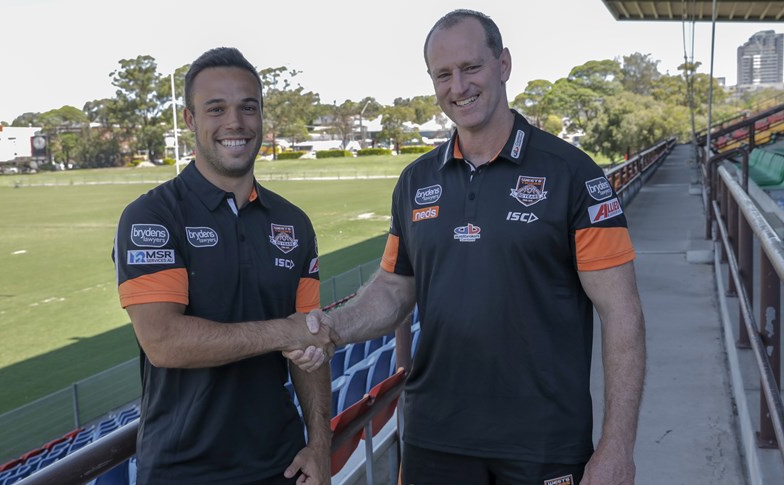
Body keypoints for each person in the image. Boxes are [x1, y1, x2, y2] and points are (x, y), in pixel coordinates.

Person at [288, 9, 646, 485]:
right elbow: (394, 290)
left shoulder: (575, 175)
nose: (458, 86)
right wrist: (332, 327)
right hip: (435, 439)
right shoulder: (415, 182)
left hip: (543, 441)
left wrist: (617, 446)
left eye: (471, 68)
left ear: (503, 64)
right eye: (443, 74)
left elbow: (623, 313)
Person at [113, 47, 335, 485]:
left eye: (247, 108)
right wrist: (283, 331)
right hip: (184, 472)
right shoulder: (152, 218)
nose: (235, 122)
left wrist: (320, 445)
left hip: (284, 465)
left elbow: (309, 345)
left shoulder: (292, 223)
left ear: (261, 117)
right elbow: (164, 342)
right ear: (191, 120)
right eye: (216, 109)